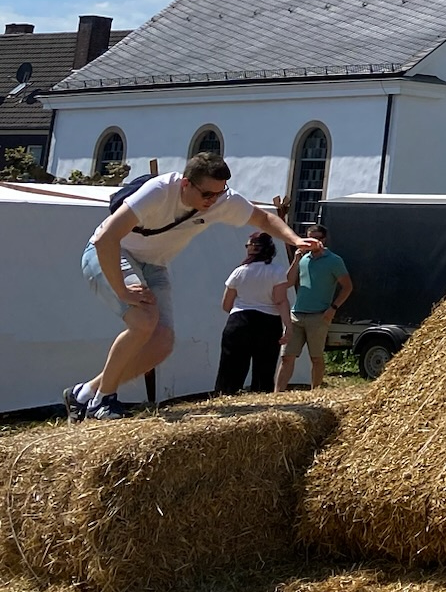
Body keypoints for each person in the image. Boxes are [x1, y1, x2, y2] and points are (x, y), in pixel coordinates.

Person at [65, 152, 320, 421]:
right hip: (110, 254)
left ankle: (84, 394)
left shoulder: (222, 199)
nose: (213, 202)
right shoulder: (159, 191)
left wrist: (295, 239)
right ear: (186, 184)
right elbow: (107, 238)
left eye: (219, 194)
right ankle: (102, 401)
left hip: (154, 265)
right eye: (207, 195)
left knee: (162, 343)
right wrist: (122, 290)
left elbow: (264, 219)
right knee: (143, 321)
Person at [277, 223, 353, 390]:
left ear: (323, 240)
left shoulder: (334, 260)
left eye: (317, 238)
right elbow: (289, 281)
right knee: (287, 357)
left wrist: (333, 308)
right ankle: (277, 395)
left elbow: (347, 286)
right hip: (297, 314)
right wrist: (296, 259)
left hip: (319, 315)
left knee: (316, 358)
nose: (313, 242)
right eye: (310, 238)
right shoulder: (304, 259)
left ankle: (315, 392)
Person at [216, 232, 289, 395]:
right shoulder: (277, 271)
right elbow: (280, 301)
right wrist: (288, 326)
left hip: (238, 320)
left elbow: (226, 305)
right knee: (264, 371)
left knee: (230, 372)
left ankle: (227, 402)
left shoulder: (239, 272)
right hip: (268, 322)